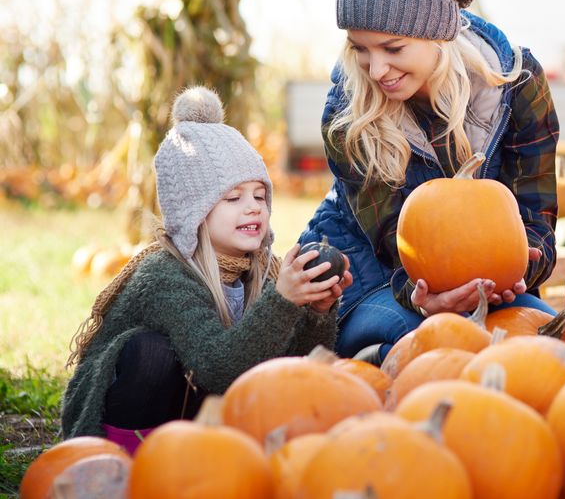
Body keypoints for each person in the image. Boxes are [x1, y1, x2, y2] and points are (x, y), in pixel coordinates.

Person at [298, 0, 559, 364]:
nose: (376, 69)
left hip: (482, 282)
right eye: (360, 49)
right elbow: (392, 243)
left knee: (541, 339)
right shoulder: (349, 111)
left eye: (393, 48)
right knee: (425, 344)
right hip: (371, 273)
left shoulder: (519, 86)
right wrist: (425, 299)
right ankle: (366, 374)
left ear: (439, 35)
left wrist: (519, 271)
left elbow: (536, 215)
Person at [62, 86, 349, 453]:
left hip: (194, 415)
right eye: (233, 198)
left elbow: (292, 367)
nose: (253, 208)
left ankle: (196, 457)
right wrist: (281, 301)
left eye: (260, 195)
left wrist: (316, 312)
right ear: (192, 213)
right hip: (125, 414)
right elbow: (218, 367)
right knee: (152, 351)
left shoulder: (262, 271)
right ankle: (125, 460)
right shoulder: (165, 275)